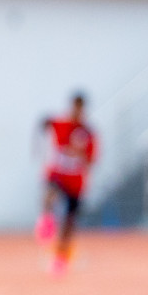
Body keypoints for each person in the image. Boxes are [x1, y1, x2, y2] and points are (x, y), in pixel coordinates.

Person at [35, 93, 98, 278]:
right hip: (58, 175)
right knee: (49, 193)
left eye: (80, 109)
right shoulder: (61, 123)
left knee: (69, 224)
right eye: (74, 108)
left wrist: (77, 154)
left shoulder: (87, 132)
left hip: (76, 182)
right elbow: (45, 123)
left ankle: (60, 259)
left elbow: (91, 159)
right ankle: (46, 221)